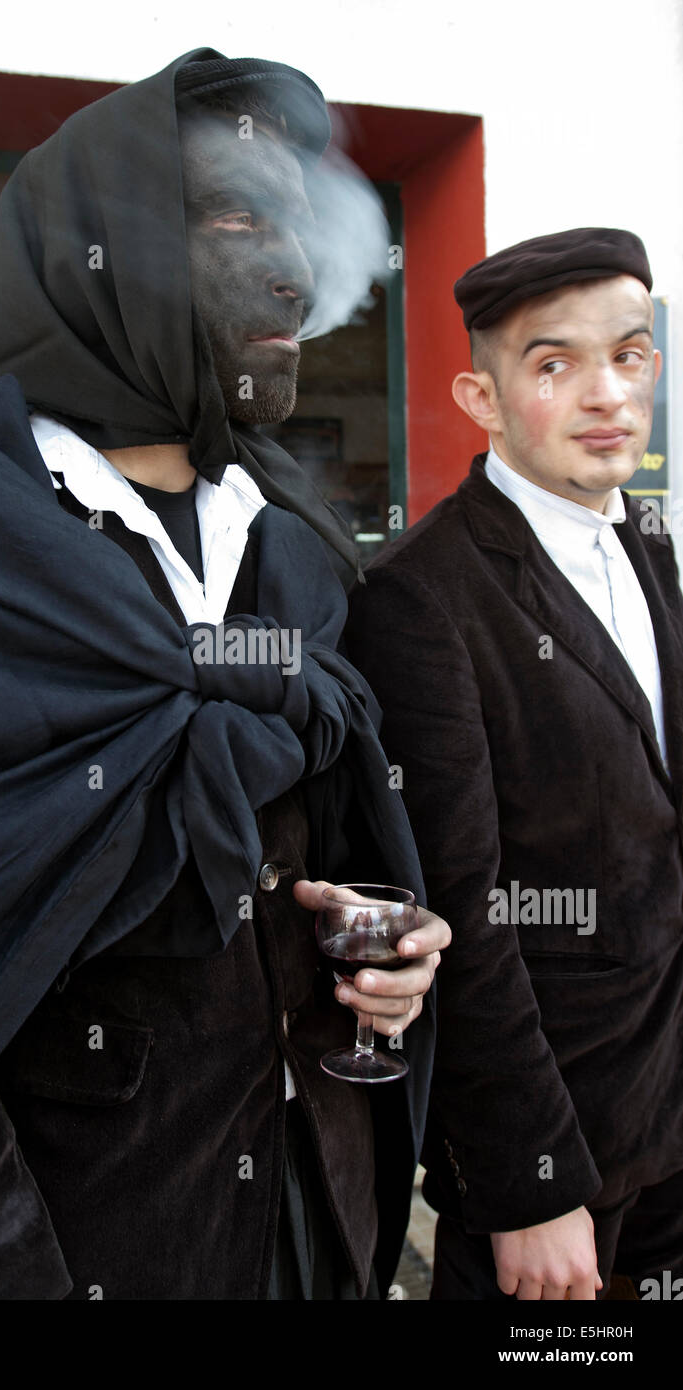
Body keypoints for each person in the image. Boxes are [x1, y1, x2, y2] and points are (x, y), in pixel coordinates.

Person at [0, 48, 448, 1301]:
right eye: (236, 217)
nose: (298, 268)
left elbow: (287, 848)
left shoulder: (291, 547)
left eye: (304, 225)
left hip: (319, 1231)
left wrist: (385, 951)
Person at [346, 227, 683, 1301]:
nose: (606, 395)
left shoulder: (653, 544)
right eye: (555, 364)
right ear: (481, 399)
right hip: (564, 1160)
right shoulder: (419, 595)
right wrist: (527, 1184)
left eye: (629, 355)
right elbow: (463, 910)